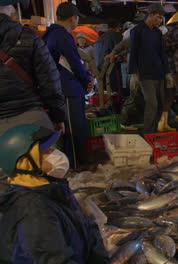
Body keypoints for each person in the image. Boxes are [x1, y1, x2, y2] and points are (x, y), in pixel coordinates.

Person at [0, 124, 109, 263]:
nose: (55, 154)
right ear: (25, 163)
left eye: (53, 147)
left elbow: (86, 227)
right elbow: (52, 259)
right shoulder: (33, 211)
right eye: (46, 150)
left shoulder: (52, 188)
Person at [0, 1, 66, 135]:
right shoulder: (28, 37)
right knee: (51, 156)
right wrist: (58, 117)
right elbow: (50, 83)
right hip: (29, 120)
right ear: (9, 8)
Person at [42, 2, 92, 170]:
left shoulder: (50, 34)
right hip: (68, 88)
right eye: (77, 18)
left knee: (65, 129)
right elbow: (74, 64)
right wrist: (86, 80)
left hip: (59, 88)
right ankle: (77, 164)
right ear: (73, 18)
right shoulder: (62, 36)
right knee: (74, 129)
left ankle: (70, 163)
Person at [129, 4, 173, 134]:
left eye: (161, 19)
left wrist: (167, 73)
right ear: (151, 14)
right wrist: (133, 73)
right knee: (152, 104)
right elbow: (133, 52)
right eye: (158, 18)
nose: (160, 21)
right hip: (145, 74)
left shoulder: (157, 32)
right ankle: (148, 134)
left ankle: (154, 132)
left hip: (159, 73)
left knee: (160, 105)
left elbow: (163, 54)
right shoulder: (136, 31)